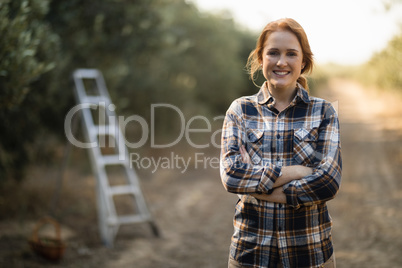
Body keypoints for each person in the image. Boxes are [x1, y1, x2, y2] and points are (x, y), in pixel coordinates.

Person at [220, 18, 341, 268]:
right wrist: (297, 172)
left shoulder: (323, 112)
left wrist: (256, 188)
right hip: (250, 253)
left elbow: (328, 183)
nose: (281, 62)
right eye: (273, 52)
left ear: (303, 61)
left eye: (291, 54)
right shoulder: (240, 110)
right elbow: (232, 176)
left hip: (310, 252)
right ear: (261, 58)